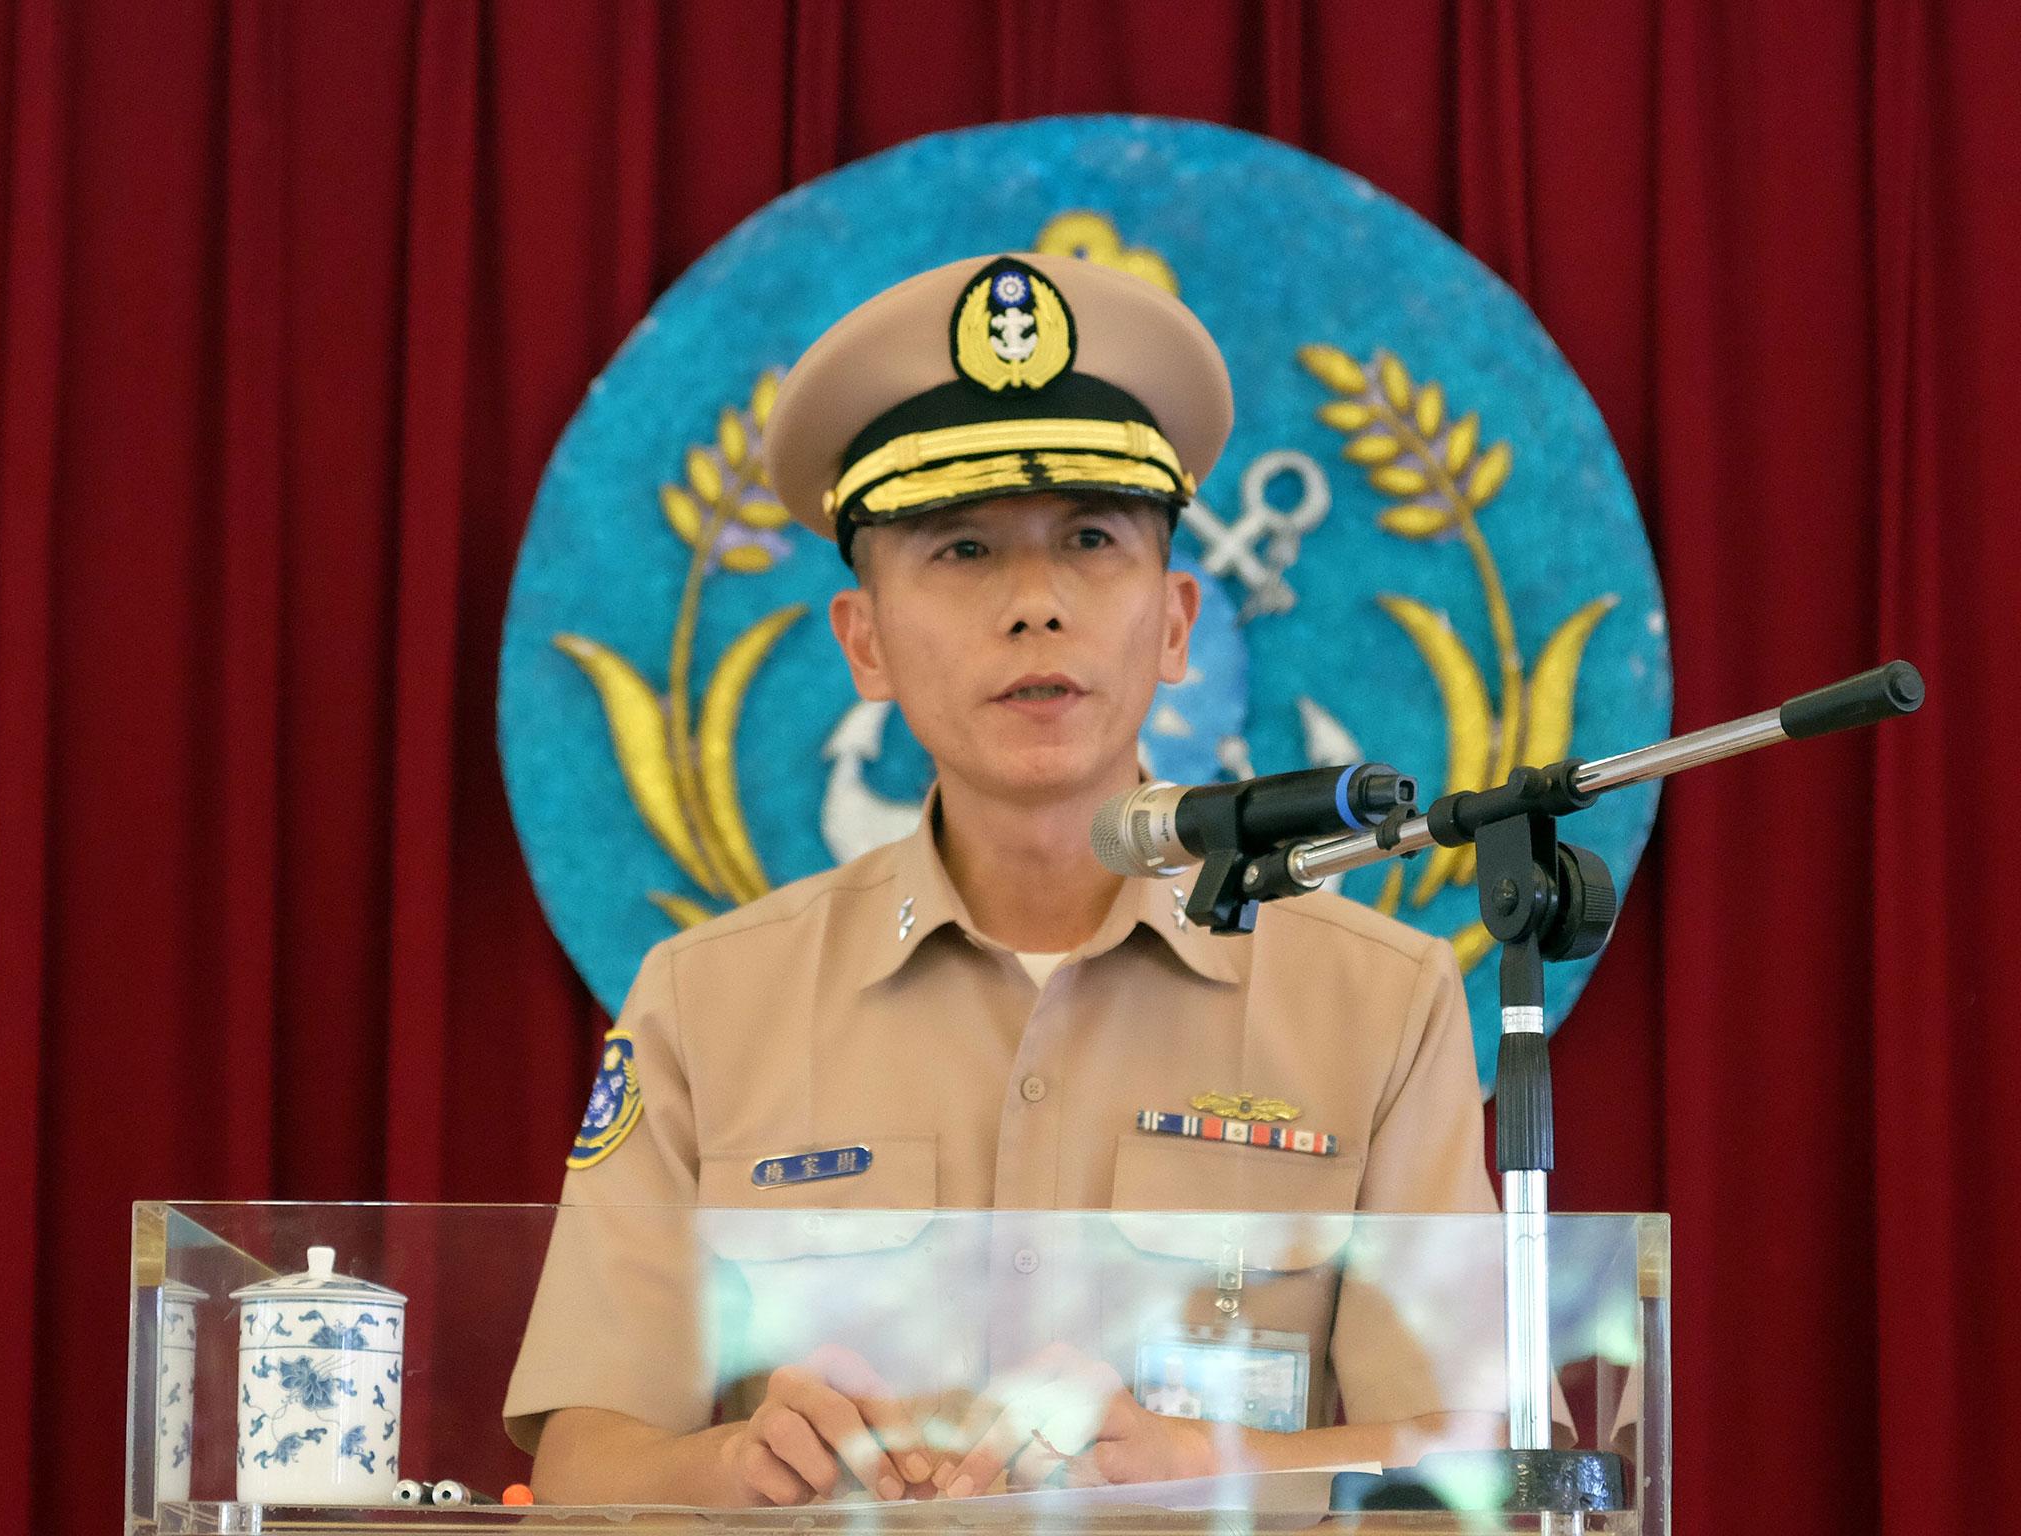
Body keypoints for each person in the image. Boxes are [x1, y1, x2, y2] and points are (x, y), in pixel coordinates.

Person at [503, 252, 1508, 1506]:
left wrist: (1211, 1465)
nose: (1034, 604)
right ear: (862, 641)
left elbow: (1482, 1467)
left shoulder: (1377, 1001)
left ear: (1179, 620)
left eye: (1089, 540)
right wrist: (733, 1461)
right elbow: (587, 1454)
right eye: (962, 550)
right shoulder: (705, 1003)